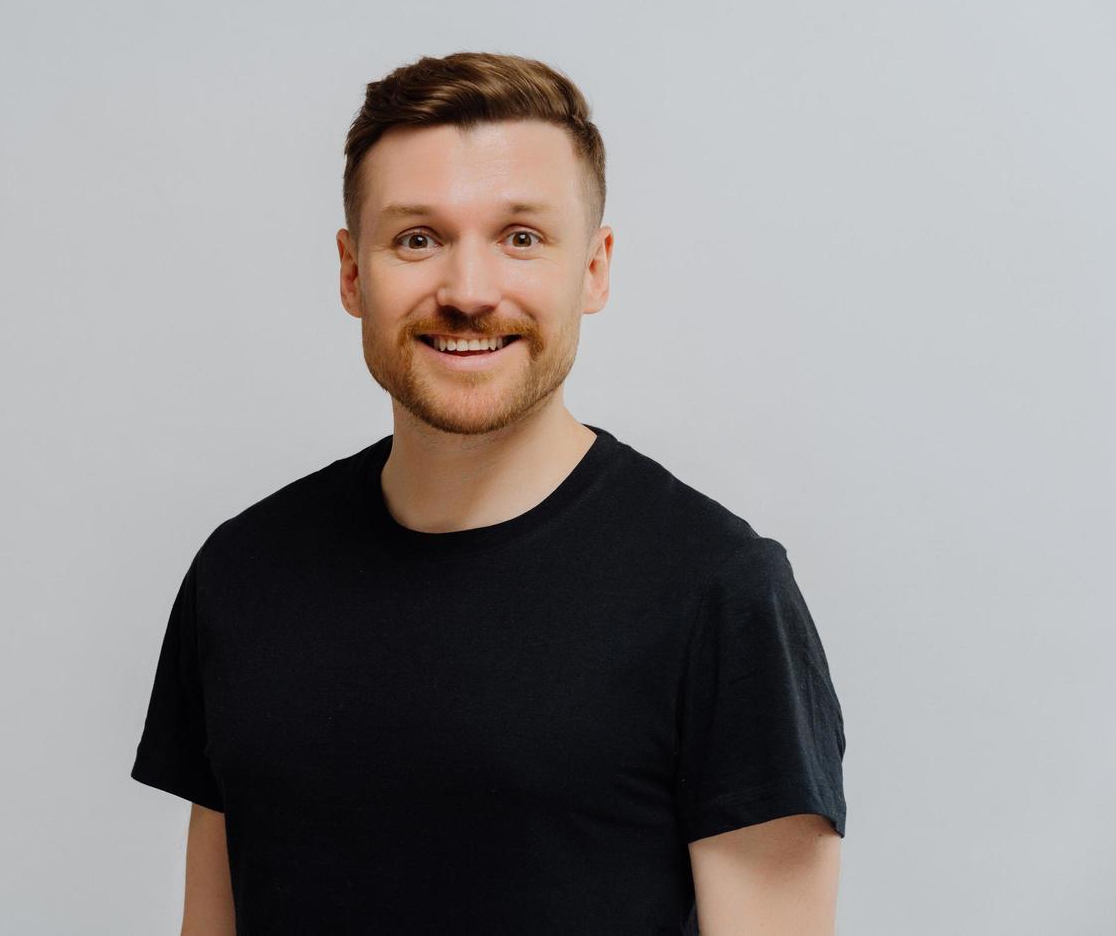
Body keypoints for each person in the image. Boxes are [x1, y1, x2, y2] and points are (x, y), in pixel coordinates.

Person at [130, 51, 847, 935]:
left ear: (594, 268)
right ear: (354, 273)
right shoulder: (242, 573)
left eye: (520, 237)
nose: (468, 292)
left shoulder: (721, 594)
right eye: (418, 238)